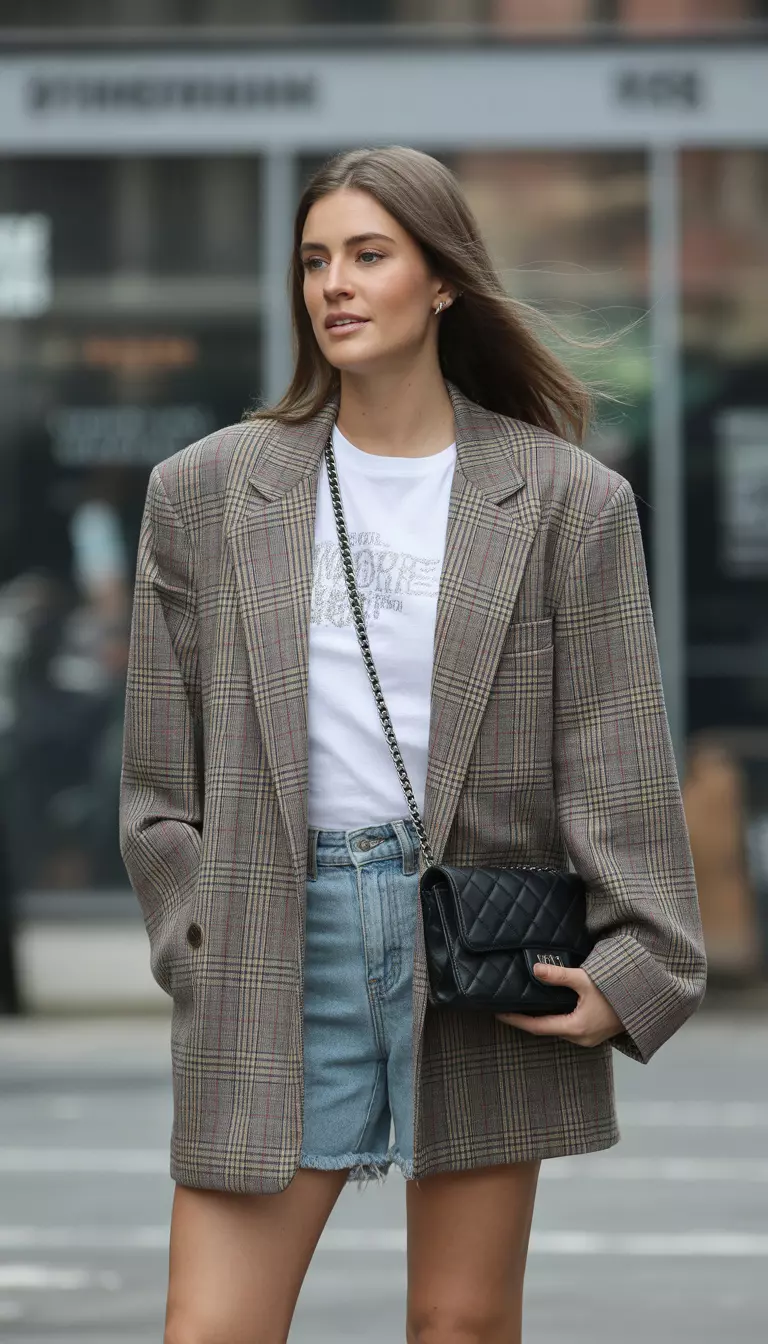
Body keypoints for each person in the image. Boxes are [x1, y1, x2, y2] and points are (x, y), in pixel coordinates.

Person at [119, 145, 707, 1344]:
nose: (335, 284)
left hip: (483, 946)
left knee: (460, 1327)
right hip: (281, 933)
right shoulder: (208, 492)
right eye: (315, 261)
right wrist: (200, 937)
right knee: (212, 1330)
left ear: (442, 280)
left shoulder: (562, 501)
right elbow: (157, 783)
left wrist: (636, 968)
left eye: (369, 256)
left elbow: (615, 753)